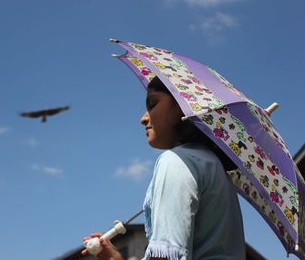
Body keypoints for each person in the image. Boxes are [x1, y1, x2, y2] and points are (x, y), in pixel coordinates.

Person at [82, 76, 245, 260]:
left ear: (184, 107)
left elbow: (166, 257)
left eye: (153, 103)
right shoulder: (215, 168)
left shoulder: (176, 161)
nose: (143, 119)